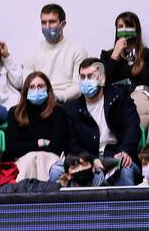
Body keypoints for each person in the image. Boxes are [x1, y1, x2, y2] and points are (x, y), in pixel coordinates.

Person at [59, 58, 143, 186]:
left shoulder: (120, 97)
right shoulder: (71, 109)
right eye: (82, 77)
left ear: (102, 79)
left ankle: (123, 207)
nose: (86, 81)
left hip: (118, 157)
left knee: (125, 172)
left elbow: (132, 127)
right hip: (85, 161)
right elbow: (72, 143)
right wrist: (91, 160)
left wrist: (126, 150)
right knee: (56, 171)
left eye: (90, 76)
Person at [6, 4, 89, 103]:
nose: (47, 26)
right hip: (40, 100)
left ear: (62, 24)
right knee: (13, 113)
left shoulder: (77, 50)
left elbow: (78, 87)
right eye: (44, 23)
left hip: (66, 102)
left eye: (52, 22)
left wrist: (56, 97)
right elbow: (27, 84)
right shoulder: (32, 52)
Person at [3, 72, 70, 180]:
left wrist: (25, 146)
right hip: (24, 162)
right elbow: (11, 150)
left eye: (40, 86)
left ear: (47, 89)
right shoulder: (15, 112)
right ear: (26, 91)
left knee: (44, 163)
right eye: (32, 87)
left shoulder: (58, 111)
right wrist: (39, 143)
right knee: (29, 161)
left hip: (49, 161)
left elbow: (56, 147)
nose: (36, 90)